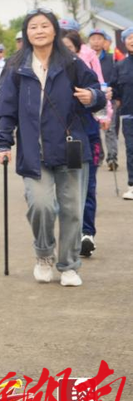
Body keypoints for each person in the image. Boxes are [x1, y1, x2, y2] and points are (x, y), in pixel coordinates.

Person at [0, 10, 104, 287]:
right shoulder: (16, 66)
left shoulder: (71, 63)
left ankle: (69, 265)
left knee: (72, 210)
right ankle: (44, 255)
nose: (39, 30)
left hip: (70, 148)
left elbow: (98, 92)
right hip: (34, 151)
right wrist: (3, 142)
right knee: (40, 205)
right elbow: (6, 108)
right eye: (33, 27)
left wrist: (92, 96)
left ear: (55, 31)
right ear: (26, 32)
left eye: (45, 26)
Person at [61, 29, 110, 258]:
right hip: (59, 140)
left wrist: (99, 106)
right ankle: (68, 235)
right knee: (66, 191)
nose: (66, 53)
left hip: (87, 136)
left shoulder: (83, 68)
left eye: (70, 49)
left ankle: (86, 234)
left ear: (78, 50)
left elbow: (99, 97)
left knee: (87, 187)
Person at [88, 29, 120, 171]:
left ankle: (112, 157)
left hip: (108, 98)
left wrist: (116, 96)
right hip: (92, 98)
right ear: (89, 41)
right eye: (93, 38)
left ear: (104, 41)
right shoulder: (86, 58)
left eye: (99, 38)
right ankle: (98, 156)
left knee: (110, 129)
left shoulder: (111, 59)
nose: (96, 41)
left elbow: (117, 79)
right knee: (95, 129)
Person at [113, 27, 133, 200]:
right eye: (129, 38)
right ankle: (132, 185)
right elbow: (114, 89)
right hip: (128, 114)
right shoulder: (119, 66)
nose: (132, 40)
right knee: (131, 150)